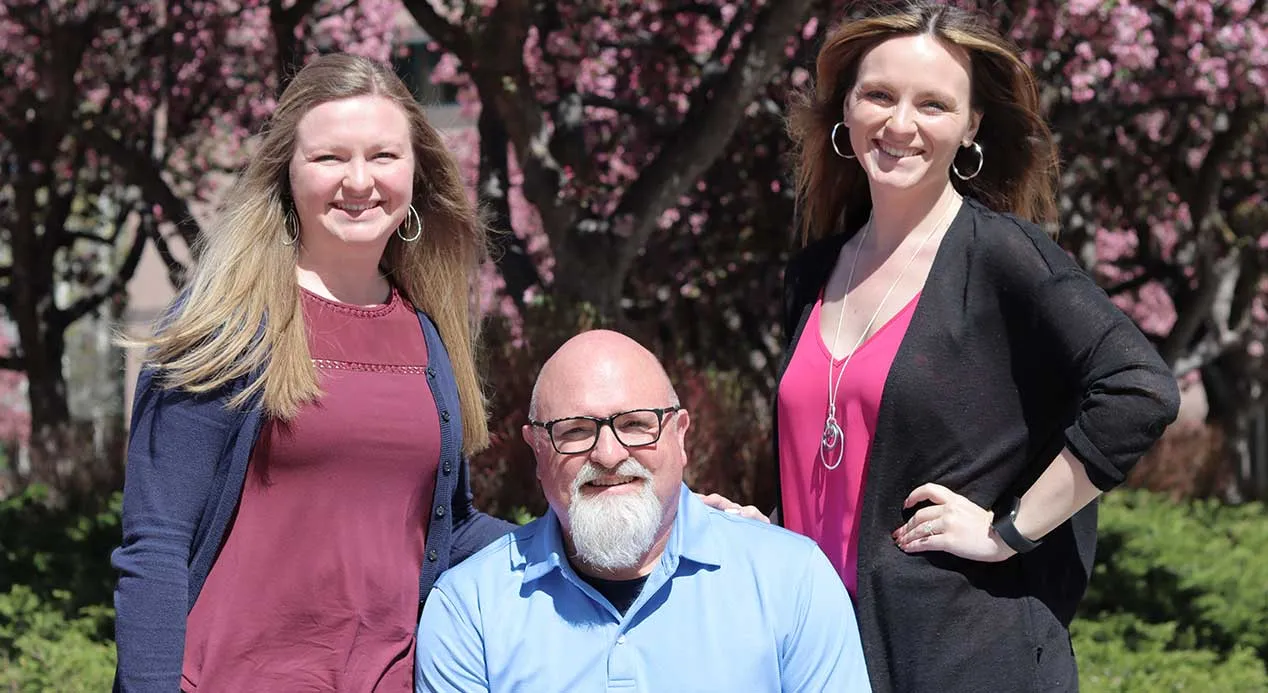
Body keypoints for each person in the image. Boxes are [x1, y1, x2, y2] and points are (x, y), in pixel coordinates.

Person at [702, 3, 1180, 691]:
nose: (900, 124)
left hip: (964, 656)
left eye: (933, 104)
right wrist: (773, 527)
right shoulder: (813, 272)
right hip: (825, 654)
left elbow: (1141, 389)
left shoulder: (1003, 257)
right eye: (879, 95)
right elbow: (855, 459)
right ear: (845, 110)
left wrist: (1008, 531)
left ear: (970, 126)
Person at [111, 53, 514, 692]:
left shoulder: (427, 332)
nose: (359, 181)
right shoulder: (226, 324)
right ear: (287, 172)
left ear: (416, 172)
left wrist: (599, 532)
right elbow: (156, 547)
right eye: (330, 157)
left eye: (383, 156)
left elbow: (446, 526)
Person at [414, 330, 871, 693]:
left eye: (635, 424)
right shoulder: (470, 609)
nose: (609, 455)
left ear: (680, 435)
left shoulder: (791, 581)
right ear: (537, 450)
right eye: (575, 431)